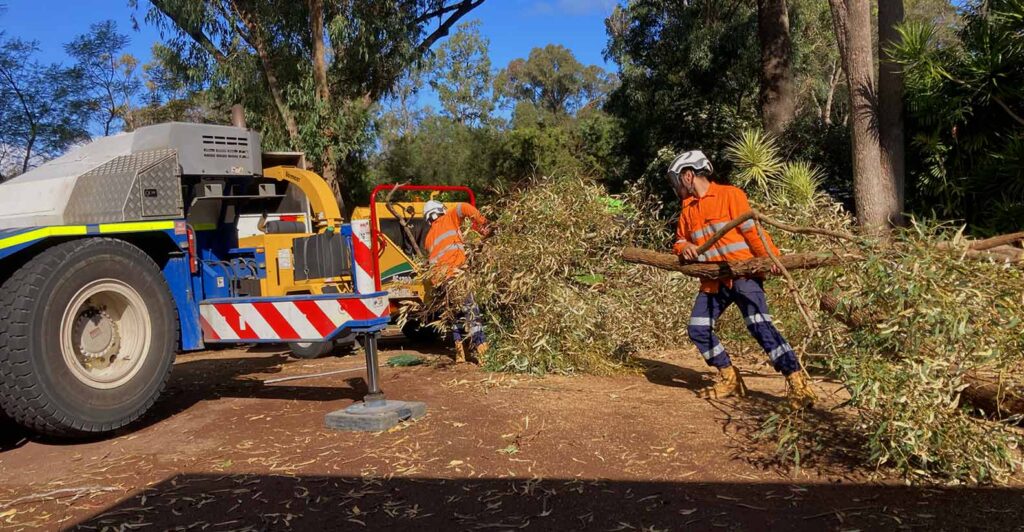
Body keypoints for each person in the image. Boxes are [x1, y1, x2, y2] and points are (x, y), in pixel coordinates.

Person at [667, 150, 816, 409]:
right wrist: (684, 247)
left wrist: (772, 259)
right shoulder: (687, 210)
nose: (677, 187)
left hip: (745, 276)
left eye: (678, 180)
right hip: (714, 282)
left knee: (761, 327)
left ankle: (798, 383)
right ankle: (729, 377)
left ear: (689, 175)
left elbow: (753, 232)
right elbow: (679, 240)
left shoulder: (730, 195)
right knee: (698, 328)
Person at [422, 199, 491, 363]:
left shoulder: (428, 238)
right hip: (457, 276)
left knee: (456, 315)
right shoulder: (448, 218)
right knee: (472, 312)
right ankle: (483, 354)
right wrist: (484, 223)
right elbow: (464, 207)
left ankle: (460, 353)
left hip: (443, 284)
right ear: (441, 211)